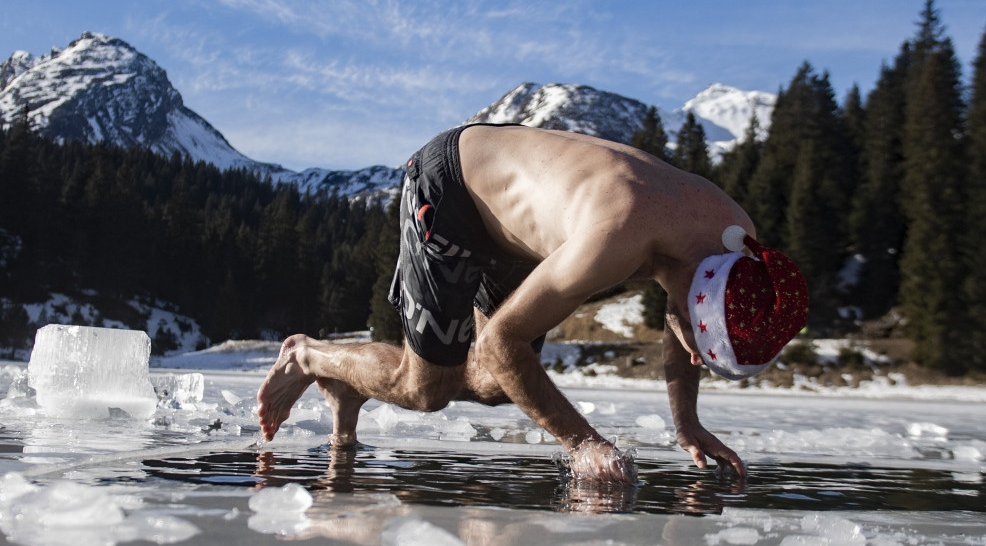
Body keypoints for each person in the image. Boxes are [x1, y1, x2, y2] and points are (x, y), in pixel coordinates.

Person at [257, 124, 808, 482]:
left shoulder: (735, 242)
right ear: (701, 294)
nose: (692, 347)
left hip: (521, 232)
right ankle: (308, 357)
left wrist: (685, 421)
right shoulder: (616, 236)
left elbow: (683, 313)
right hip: (450, 191)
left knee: (499, 385)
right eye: (697, 332)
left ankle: (351, 389)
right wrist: (584, 444)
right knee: (427, 390)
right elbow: (501, 341)